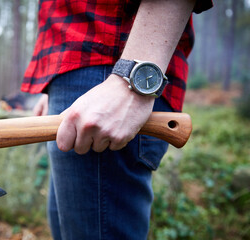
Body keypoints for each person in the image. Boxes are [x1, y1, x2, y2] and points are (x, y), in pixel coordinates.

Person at [22, 0, 213, 239]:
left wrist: (131, 80)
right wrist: (53, 85)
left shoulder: (121, 78)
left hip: (111, 68)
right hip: (73, 73)